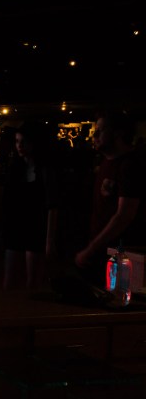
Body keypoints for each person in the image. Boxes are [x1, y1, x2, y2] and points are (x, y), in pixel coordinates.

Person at [74, 109, 146, 289]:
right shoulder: (107, 162)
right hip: (105, 250)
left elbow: (124, 215)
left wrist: (92, 248)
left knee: (119, 305)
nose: (95, 134)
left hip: (123, 251)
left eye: (101, 130)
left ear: (118, 133)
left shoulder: (130, 165)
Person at [2, 122, 60, 290]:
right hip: (17, 227)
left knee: (33, 281)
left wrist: (50, 239)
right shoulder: (16, 168)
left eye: (23, 141)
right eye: (17, 141)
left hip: (36, 226)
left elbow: (52, 205)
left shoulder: (45, 170)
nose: (19, 146)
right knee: (10, 280)